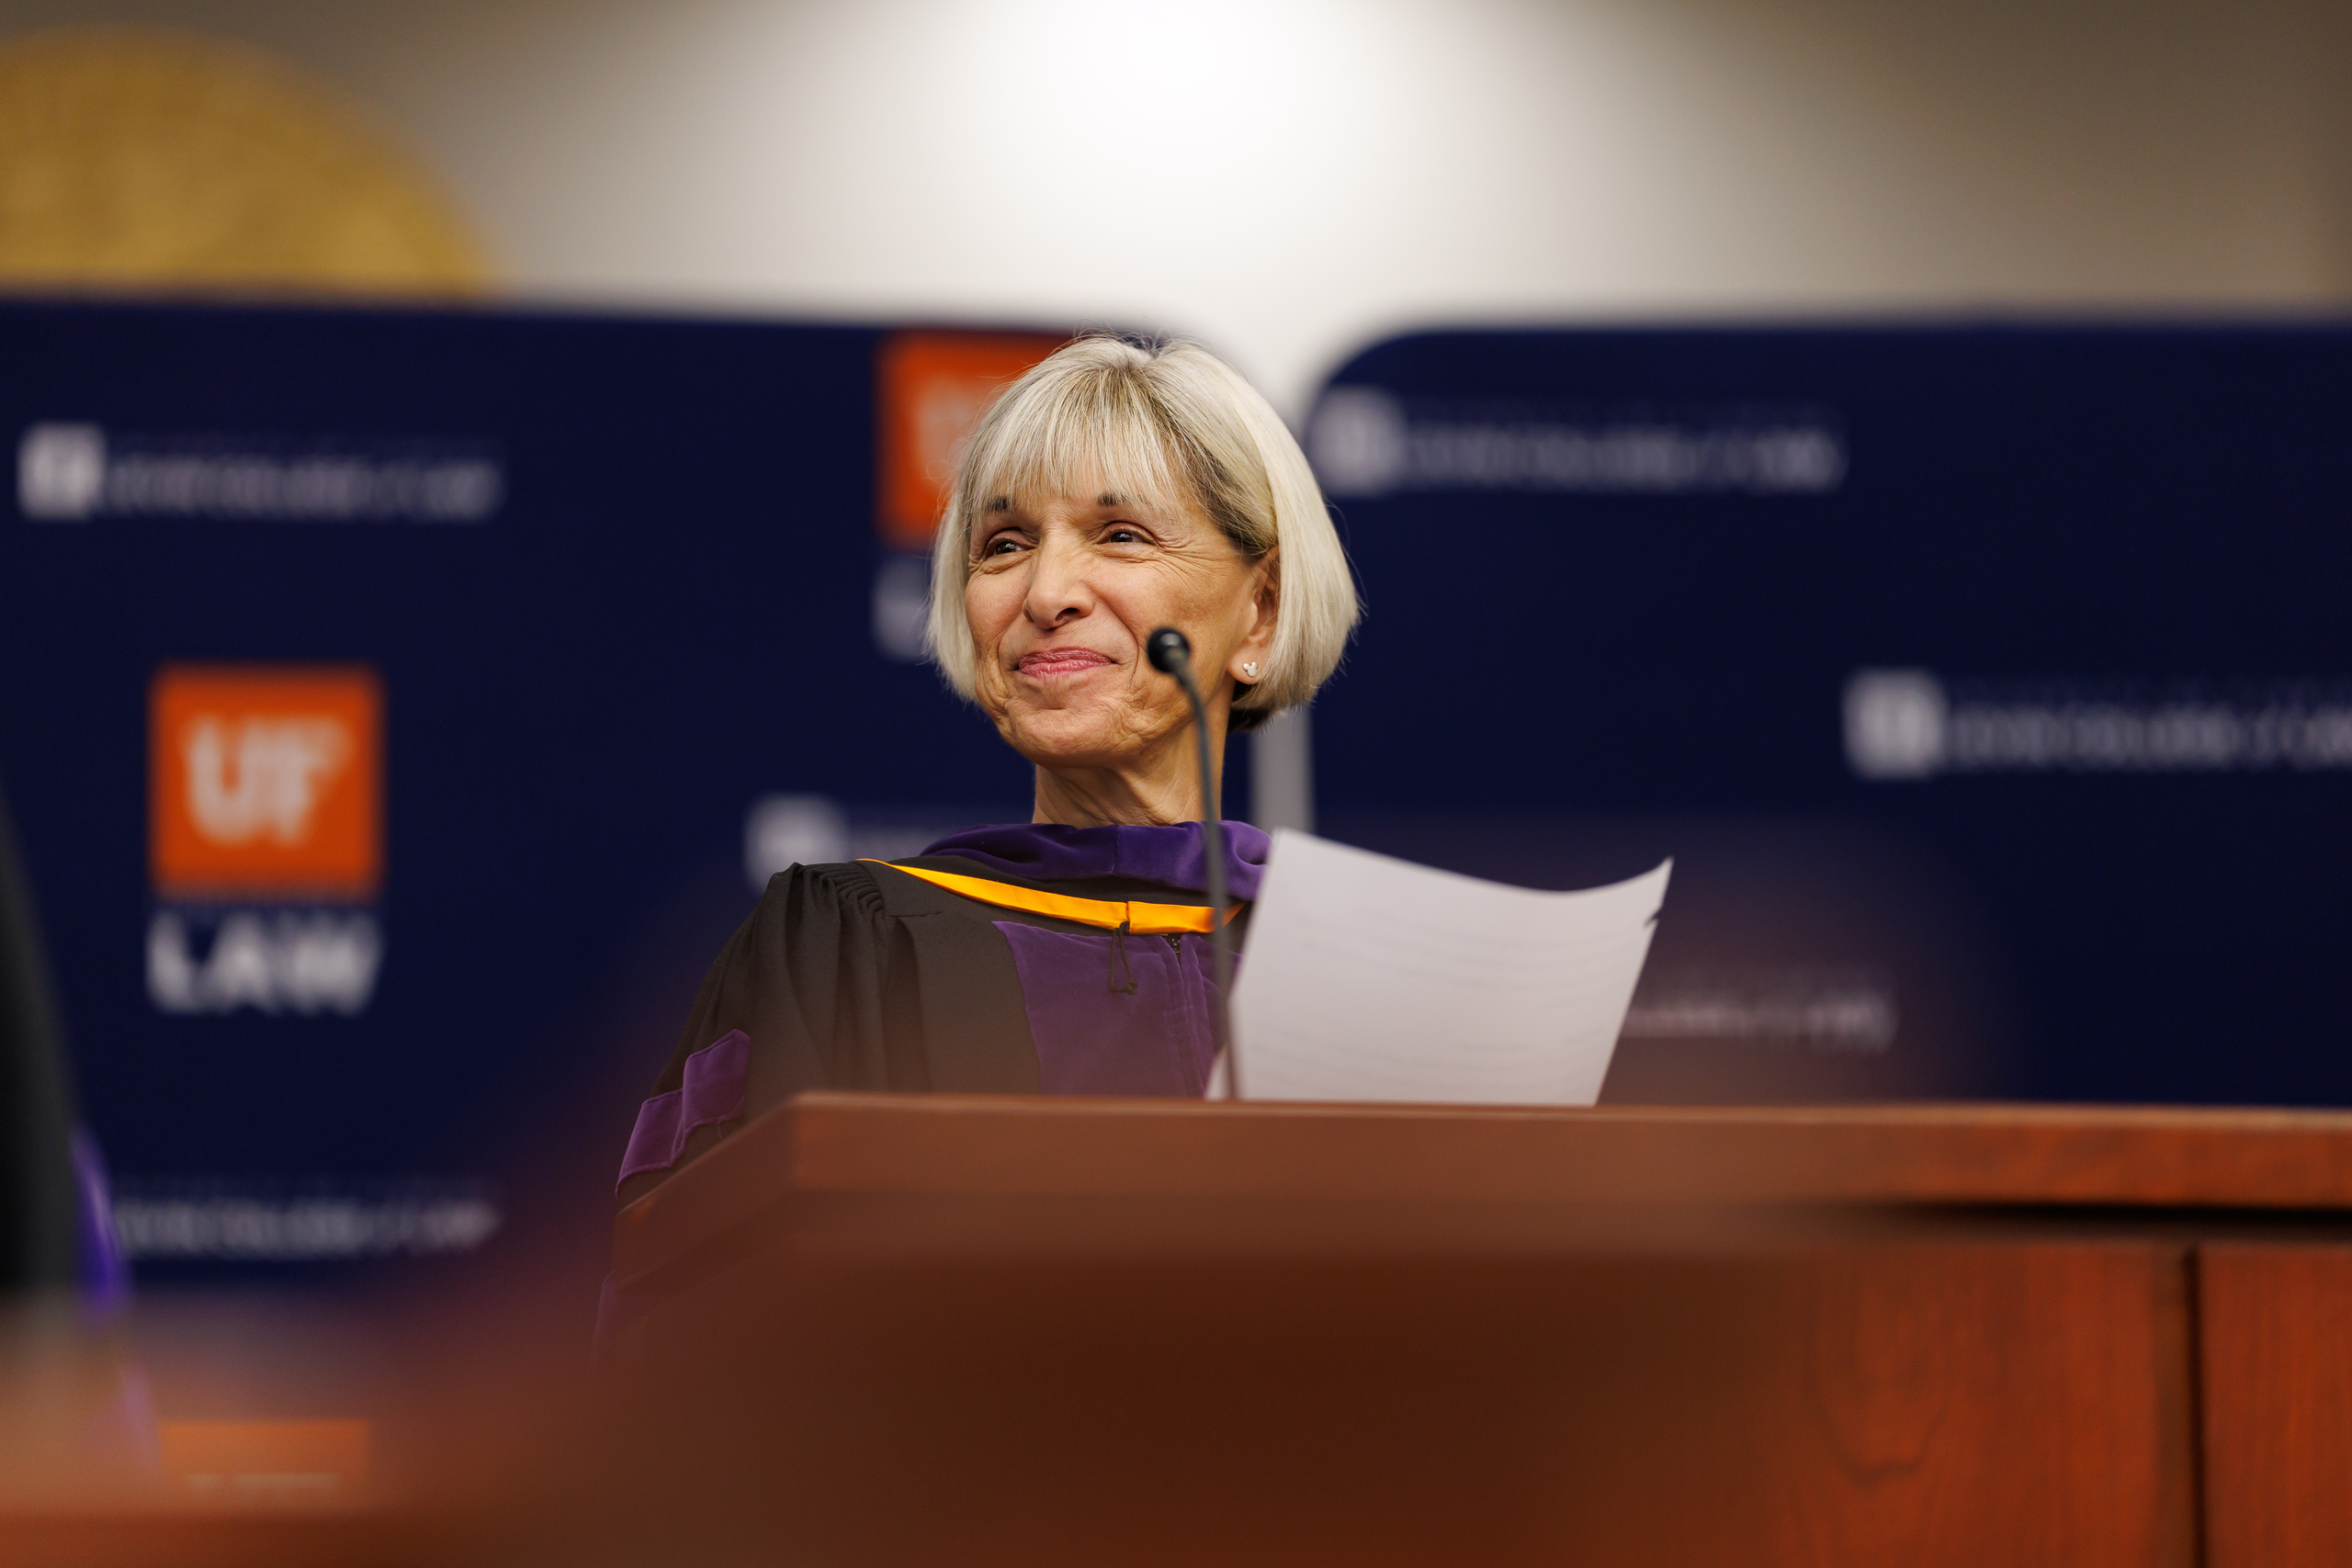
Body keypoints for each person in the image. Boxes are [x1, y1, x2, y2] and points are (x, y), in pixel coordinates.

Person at [615, 335, 1360, 1207]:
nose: (1046, 594)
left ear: (1261, 614)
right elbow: (698, 1308)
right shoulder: (853, 952)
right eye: (1003, 545)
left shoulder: (1357, 966)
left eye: (1120, 535)